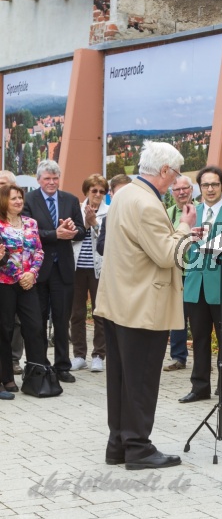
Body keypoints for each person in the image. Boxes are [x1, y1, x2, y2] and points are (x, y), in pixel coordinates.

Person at [94, 141, 196, 469]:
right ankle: (138, 447)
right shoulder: (149, 204)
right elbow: (168, 255)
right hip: (142, 305)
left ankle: (118, 444)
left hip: (118, 302)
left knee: (121, 378)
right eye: (175, 174)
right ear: (164, 171)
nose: (176, 181)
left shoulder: (124, 193)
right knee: (141, 379)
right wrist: (185, 227)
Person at [179, 166, 222, 406]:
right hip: (195, 283)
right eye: (206, 185)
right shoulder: (190, 212)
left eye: (215, 184)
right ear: (199, 187)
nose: (210, 189)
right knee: (199, 338)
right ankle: (199, 387)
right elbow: (180, 247)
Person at [22, 160, 86, 384]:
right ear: (39, 180)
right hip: (38, 270)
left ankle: (62, 366)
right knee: (37, 321)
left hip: (64, 270)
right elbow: (28, 232)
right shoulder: (29, 200)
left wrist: (72, 231)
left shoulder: (70, 199)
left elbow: (81, 230)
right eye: (47, 178)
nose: (51, 182)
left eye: (55, 178)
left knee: (61, 320)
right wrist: (55, 234)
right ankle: (39, 364)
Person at [0, 185, 50, 399]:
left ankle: (36, 376)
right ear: (4, 201)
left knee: (35, 327)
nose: (19, 201)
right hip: (5, 284)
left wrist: (32, 274)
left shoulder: (31, 223)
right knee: (5, 331)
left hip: (28, 283)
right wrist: (19, 274)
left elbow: (38, 250)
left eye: (20, 197)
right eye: (14, 198)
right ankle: (6, 378)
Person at [70, 174, 109, 373]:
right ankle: (78, 355)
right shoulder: (75, 209)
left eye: (102, 191)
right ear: (86, 191)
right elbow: (71, 238)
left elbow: (106, 239)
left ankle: (98, 355)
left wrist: (94, 223)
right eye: (94, 190)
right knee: (76, 313)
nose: (97, 194)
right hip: (77, 268)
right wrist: (84, 223)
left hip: (98, 269)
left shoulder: (108, 212)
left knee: (99, 312)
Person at [163, 175, 196, 372]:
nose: (182, 192)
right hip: (177, 270)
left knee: (200, 318)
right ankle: (178, 357)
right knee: (177, 316)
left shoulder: (200, 210)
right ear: (172, 193)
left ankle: (203, 356)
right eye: (177, 190)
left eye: (185, 189)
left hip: (198, 270)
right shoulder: (167, 214)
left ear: (192, 190)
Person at [0, 170, 24, 376]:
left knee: (14, 323)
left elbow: (33, 249)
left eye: (5, 184)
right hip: (5, 277)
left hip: (16, 279)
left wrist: (27, 273)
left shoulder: (24, 218)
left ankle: (13, 361)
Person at [95, 174, 132, 257]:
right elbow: (100, 248)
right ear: (111, 194)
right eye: (119, 193)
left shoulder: (139, 216)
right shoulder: (108, 219)